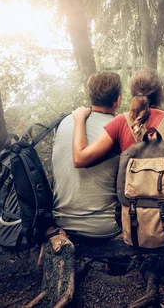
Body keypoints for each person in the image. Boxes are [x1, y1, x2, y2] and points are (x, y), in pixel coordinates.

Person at [72, 67, 164, 211]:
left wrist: (79, 119)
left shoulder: (121, 122)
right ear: (162, 92)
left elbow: (80, 159)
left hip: (133, 218)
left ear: (132, 94)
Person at [51, 71, 122, 238]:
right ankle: (116, 264)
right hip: (104, 227)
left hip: (61, 222)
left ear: (90, 96)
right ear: (118, 100)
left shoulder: (64, 122)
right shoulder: (120, 128)